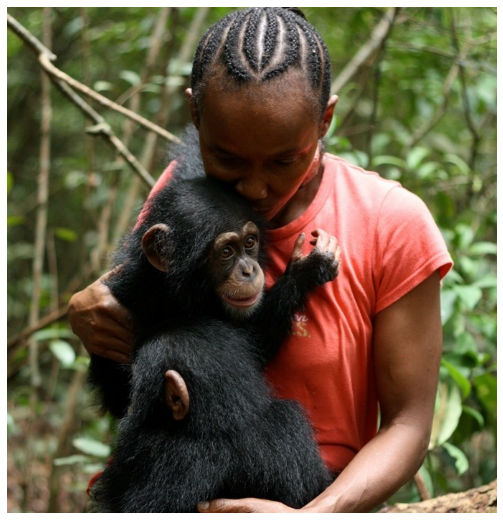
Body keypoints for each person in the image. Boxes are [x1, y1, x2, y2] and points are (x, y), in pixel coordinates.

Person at [67, 8, 453, 513]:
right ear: (195, 116)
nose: (253, 187)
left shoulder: (391, 222)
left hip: (315, 493)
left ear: (325, 120)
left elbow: (408, 423)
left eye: (282, 160)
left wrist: (312, 516)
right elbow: (145, 346)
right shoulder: (185, 196)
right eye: (227, 159)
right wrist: (91, 315)